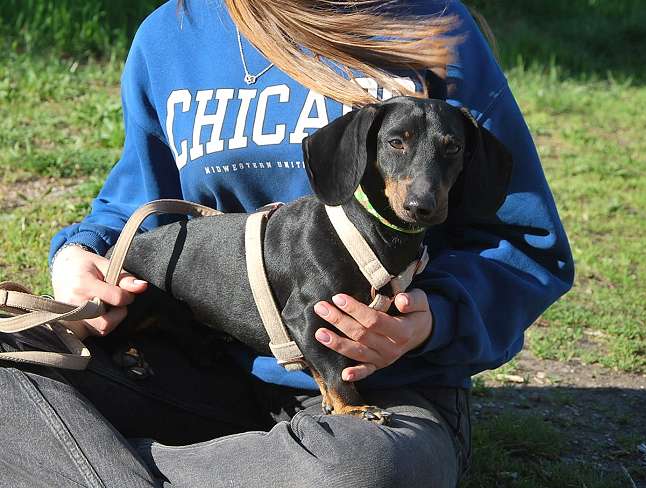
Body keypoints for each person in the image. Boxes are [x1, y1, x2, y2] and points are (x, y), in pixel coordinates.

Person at [0, 0, 574, 486]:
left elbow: (525, 244)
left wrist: (435, 319)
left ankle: (90, 466)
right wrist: (80, 254)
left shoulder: (428, 21)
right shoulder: (173, 33)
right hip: (194, 363)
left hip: (374, 390)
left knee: (362, 470)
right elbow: (135, 203)